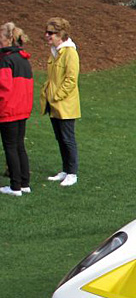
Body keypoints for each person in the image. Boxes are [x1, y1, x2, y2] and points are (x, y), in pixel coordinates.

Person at [41, 17, 80, 187]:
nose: (47, 35)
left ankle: (72, 173)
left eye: (51, 33)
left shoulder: (70, 52)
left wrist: (56, 96)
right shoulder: (55, 51)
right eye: (47, 32)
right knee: (60, 138)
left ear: (61, 34)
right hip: (54, 104)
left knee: (67, 138)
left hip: (64, 104)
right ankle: (65, 170)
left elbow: (71, 80)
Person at [0, 21, 33, 197]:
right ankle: (24, 182)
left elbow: (3, 88)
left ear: (8, 39)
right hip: (21, 109)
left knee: (11, 147)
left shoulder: (6, 60)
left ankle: (15, 186)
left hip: (9, 110)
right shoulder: (23, 59)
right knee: (19, 146)